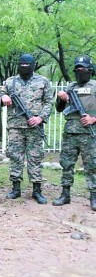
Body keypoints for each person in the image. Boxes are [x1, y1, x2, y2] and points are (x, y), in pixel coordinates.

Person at [0, 54, 52, 204]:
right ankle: (16, 188)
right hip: (16, 125)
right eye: (22, 65)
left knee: (35, 157)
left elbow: (49, 102)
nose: (24, 67)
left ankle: (37, 190)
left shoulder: (43, 81)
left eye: (27, 65)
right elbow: (0, 96)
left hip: (34, 125)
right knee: (15, 156)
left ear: (33, 65)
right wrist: (3, 98)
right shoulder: (10, 82)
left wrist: (40, 117)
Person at [53, 55, 96, 211]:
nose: (79, 72)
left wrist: (93, 119)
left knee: (92, 166)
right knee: (67, 164)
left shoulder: (95, 86)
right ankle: (65, 194)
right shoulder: (70, 87)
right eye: (77, 69)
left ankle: (94, 196)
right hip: (70, 133)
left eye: (82, 69)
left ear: (90, 70)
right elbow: (59, 109)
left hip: (89, 134)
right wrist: (62, 99)